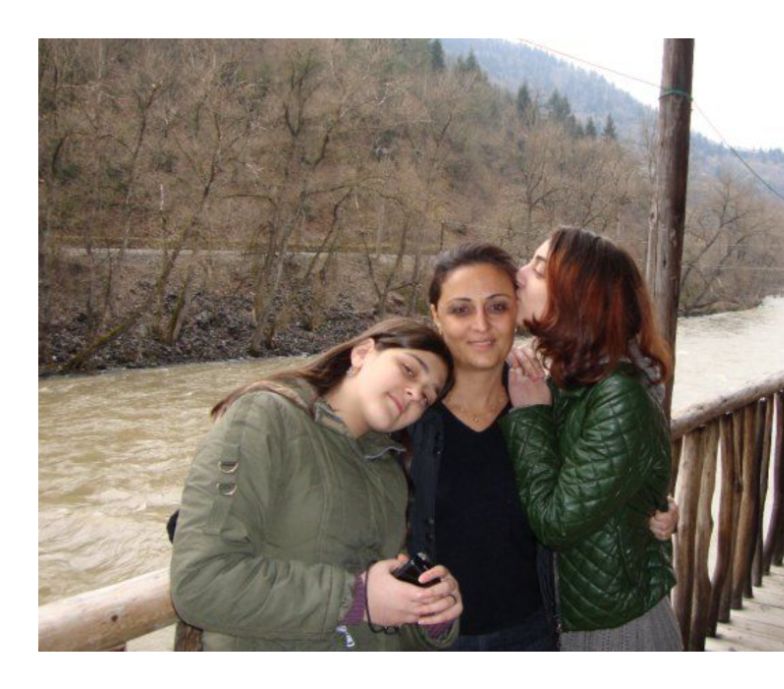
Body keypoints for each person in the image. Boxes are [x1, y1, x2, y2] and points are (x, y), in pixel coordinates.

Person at [404, 242, 678, 652]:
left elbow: (573, 501)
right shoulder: (407, 409)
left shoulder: (550, 397)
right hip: (432, 635)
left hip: (548, 630)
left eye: (498, 306)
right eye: (460, 309)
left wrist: (652, 506)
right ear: (435, 315)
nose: (481, 324)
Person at [170, 317, 463, 651]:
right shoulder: (265, 417)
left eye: (427, 396)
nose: (414, 393)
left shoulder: (390, 473)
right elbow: (199, 583)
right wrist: (355, 599)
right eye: (409, 370)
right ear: (362, 354)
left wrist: (427, 611)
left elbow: (379, 613)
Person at [502, 227, 684, 651]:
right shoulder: (570, 377)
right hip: (572, 615)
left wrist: (530, 415)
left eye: (539, 270)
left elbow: (556, 522)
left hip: (614, 630)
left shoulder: (617, 393)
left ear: (579, 298)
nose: (519, 274)